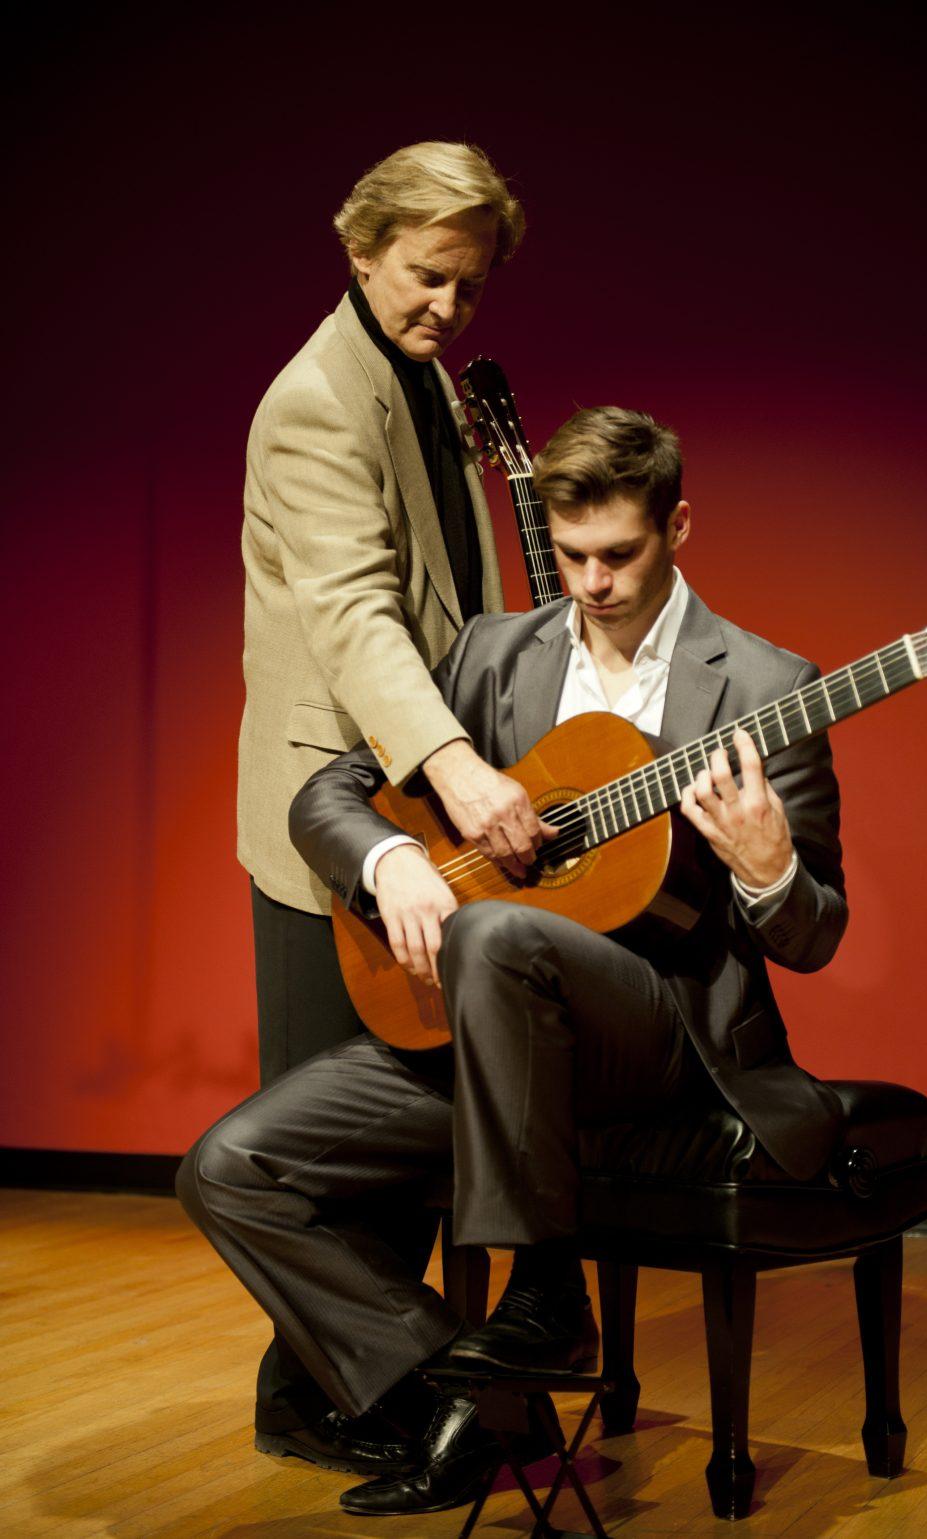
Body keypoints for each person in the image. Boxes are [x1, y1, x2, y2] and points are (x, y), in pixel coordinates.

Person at [181, 408, 848, 1516]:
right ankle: (472, 1404)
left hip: (659, 1038)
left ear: (676, 526)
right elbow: (325, 795)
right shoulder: (497, 654)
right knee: (232, 1169)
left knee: (495, 930)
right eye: (572, 553)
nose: (590, 581)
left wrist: (772, 869)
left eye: (620, 554)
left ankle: (546, 1292)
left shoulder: (766, 686)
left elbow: (816, 934)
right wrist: (391, 857)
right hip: (484, 1035)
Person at [237, 140, 544, 1460]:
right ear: (359, 250)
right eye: (427, 277)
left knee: (410, 1135)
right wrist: (461, 767)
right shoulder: (316, 400)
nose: (447, 311)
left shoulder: (419, 388)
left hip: (413, 808)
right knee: (320, 1145)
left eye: (469, 289)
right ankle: (328, 1397)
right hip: (334, 820)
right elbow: (360, 616)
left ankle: (336, 1388)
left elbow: (456, 613)